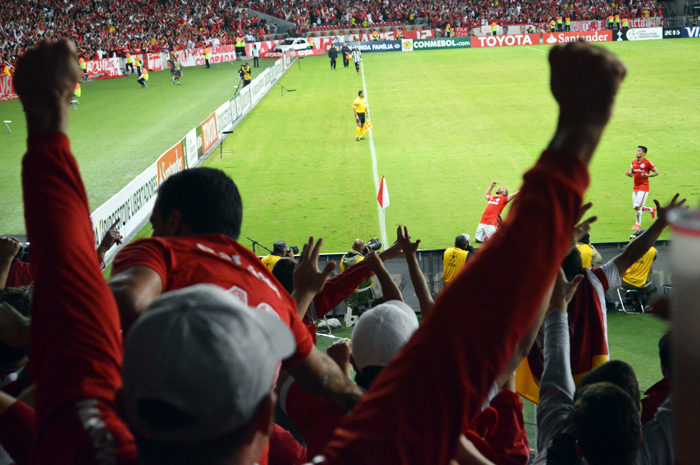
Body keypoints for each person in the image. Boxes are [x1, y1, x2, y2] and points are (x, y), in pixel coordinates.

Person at [15, 38, 628, 465]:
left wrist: (47, 124)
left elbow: (71, 296)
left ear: (125, 391)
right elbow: (452, 358)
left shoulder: (78, 435)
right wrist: (579, 132)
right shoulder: (312, 447)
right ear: (265, 418)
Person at [621, 228, 657, 308]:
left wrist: (631, 243)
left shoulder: (629, 248)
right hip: (642, 283)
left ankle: (635, 302)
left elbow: (623, 253)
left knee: (633, 285)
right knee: (653, 290)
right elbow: (654, 257)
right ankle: (648, 306)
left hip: (626, 282)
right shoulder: (653, 251)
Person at [625, 145, 658, 230]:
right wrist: (629, 174)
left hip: (644, 187)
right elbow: (633, 173)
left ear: (643, 153)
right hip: (635, 187)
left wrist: (648, 175)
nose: (636, 152)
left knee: (637, 206)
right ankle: (651, 210)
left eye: (639, 151)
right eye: (636, 150)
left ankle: (638, 224)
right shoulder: (633, 162)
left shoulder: (647, 162)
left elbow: (656, 172)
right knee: (636, 207)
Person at [340, 239, 375, 315]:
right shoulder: (362, 260)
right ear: (363, 248)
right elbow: (372, 273)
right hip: (363, 295)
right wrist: (369, 256)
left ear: (353, 246)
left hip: (347, 294)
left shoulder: (343, 258)